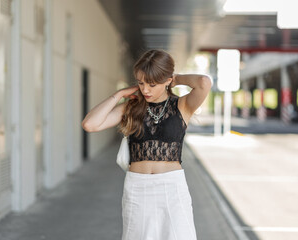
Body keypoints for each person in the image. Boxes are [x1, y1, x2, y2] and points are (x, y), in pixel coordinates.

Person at [81, 49, 212, 240]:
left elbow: (204, 83)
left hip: (172, 188)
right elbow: (90, 124)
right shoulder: (131, 107)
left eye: (152, 84)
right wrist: (118, 95)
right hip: (138, 188)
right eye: (141, 83)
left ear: (167, 81)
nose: (145, 90)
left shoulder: (182, 106)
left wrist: (175, 79)